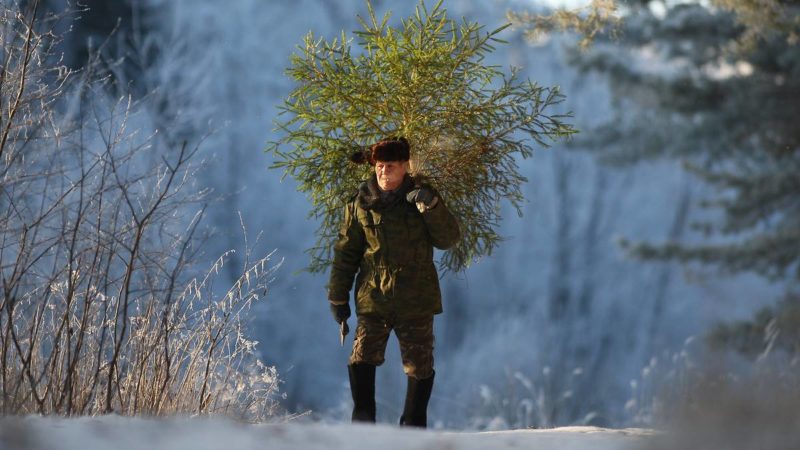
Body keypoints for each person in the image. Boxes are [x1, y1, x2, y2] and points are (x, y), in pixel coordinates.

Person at [327, 137, 461, 427]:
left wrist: (432, 206)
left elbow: (448, 239)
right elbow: (345, 252)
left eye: (390, 166)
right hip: (373, 296)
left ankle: (413, 428)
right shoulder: (361, 203)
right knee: (361, 357)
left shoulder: (422, 197)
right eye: (379, 166)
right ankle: (363, 426)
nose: (383, 172)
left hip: (416, 296)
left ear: (404, 167)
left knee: (419, 365)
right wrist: (337, 297)